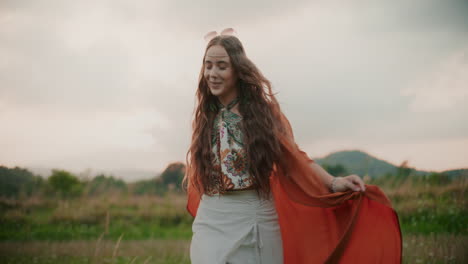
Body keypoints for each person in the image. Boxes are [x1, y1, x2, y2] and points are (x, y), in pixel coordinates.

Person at [183, 28, 402, 264]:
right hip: (212, 218)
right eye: (208, 65)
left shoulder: (261, 114)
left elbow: (294, 158)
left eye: (221, 66)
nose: (212, 73)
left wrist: (333, 182)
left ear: (238, 70)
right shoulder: (206, 115)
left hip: (253, 218)